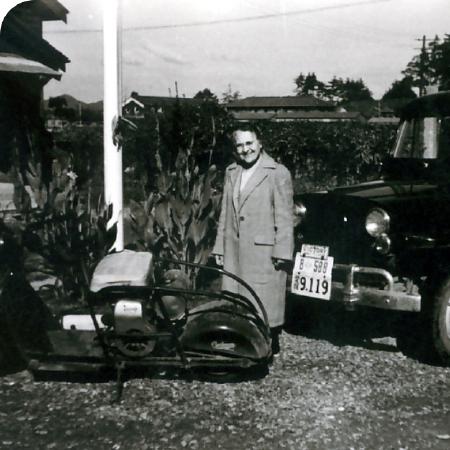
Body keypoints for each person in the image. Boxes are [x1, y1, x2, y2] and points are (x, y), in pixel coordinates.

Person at [212, 124, 294, 355]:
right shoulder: (232, 172)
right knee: (237, 296)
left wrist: (282, 251)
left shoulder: (277, 172)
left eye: (249, 143)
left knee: (264, 296)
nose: (245, 149)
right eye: (239, 145)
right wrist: (220, 247)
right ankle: (242, 338)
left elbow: (285, 217)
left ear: (260, 143)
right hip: (235, 247)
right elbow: (225, 214)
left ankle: (270, 339)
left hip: (264, 250)